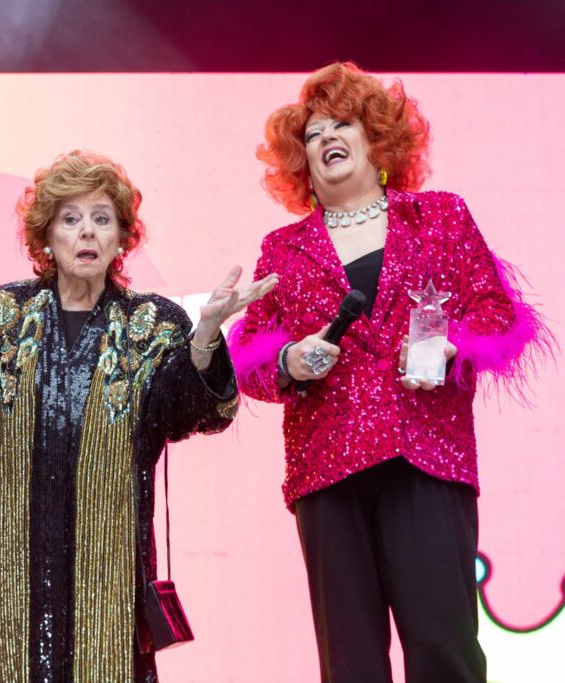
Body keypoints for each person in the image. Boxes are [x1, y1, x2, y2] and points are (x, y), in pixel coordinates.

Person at [0, 150, 276, 682]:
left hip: (110, 586)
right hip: (15, 580)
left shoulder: (152, 323)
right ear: (46, 238)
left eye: (102, 219)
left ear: (121, 239)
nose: (86, 233)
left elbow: (193, 409)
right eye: (70, 219)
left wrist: (205, 339)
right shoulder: (5, 315)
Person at [231, 62, 552, 683]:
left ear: (375, 137)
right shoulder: (283, 247)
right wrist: (291, 360)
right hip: (326, 466)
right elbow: (251, 357)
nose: (326, 136)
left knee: (443, 650)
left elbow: (495, 313)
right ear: (301, 163)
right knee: (350, 663)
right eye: (313, 131)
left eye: (341, 123)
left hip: (427, 455)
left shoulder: (439, 217)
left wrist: (452, 347)